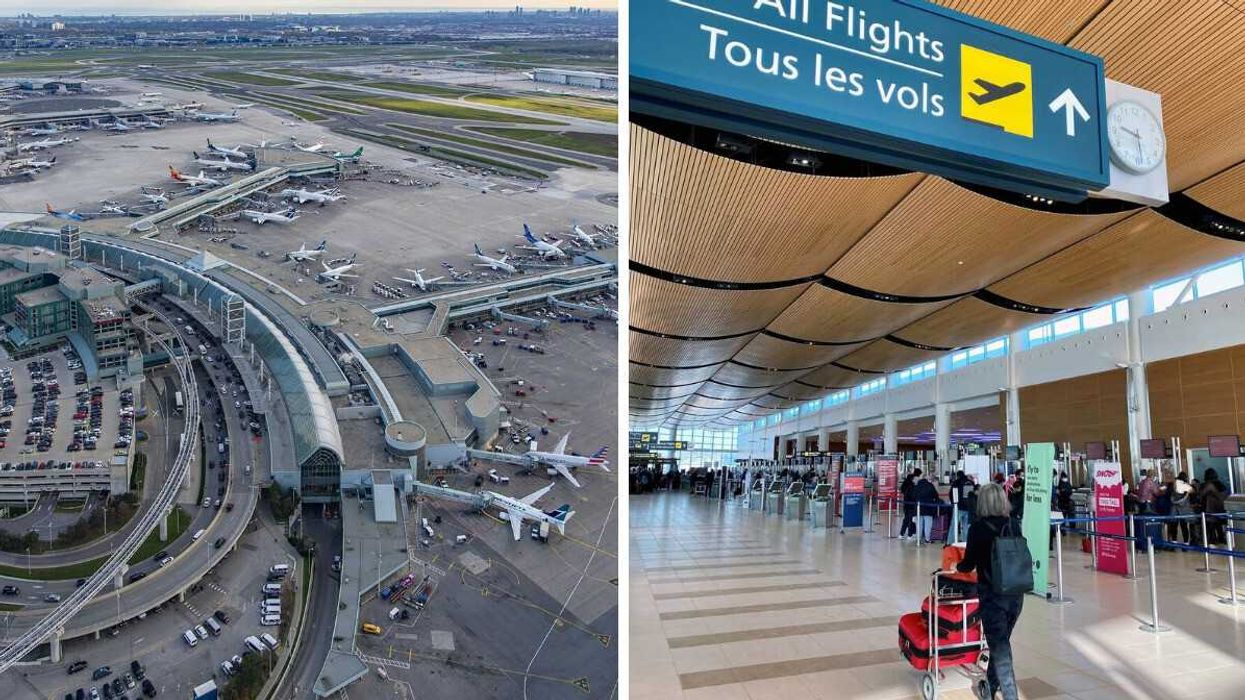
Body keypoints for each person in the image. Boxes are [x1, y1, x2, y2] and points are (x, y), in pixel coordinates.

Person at [955, 483, 1024, 700]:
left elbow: (968, 565)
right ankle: (990, 686)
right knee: (1000, 642)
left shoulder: (978, 528)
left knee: (1001, 648)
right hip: (1016, 593)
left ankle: (1010, 695)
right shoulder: (1013, 524)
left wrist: (956, 566)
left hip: (993, 596)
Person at [912, 471, 943, 543]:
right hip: (928, 508)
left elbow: (913, 496)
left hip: (918, 508)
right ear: (926, 478)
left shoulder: (917, 486)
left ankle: (918, 539)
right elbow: (935, 495)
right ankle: (927, 539)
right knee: (928, 524)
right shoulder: (930, 485)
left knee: (919, 524)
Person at [1200, 469, 1228, 545]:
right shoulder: (1221, 485)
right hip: (1220, 509)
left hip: (1210, 510)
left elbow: (1201, 494)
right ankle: (1221, 539)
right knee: (1219, 526)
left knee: (1211, 527)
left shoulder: (1208, 485)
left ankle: (1213, 541)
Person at [1168, 472, 1194, 543]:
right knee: (1184, 526)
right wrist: (1187, 493)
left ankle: (1174, 541)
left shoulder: (1173, 483)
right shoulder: (1184, 485)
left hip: (1174, 508)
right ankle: (1186, 543)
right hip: (1182, 509)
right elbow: (1192, 491)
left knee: (1174, 525)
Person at [899, 470, 918, 539]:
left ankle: (902, 534)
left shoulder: (905, 485)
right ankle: (910, 535)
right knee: (911, 520)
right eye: (915, 479)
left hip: (906, 504)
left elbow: (902, 491)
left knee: (906, 519)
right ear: (912, 479)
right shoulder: (912, 487)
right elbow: (914, 496)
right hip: (912, 505)